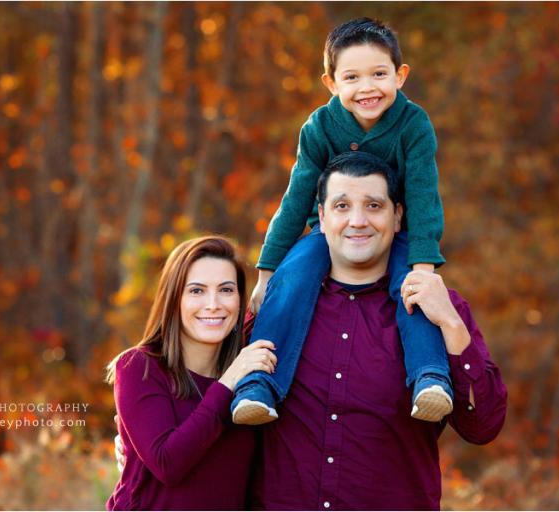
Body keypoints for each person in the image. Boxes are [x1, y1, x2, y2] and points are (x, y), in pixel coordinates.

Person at [249, 151, 507, 509]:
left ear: (397, 216)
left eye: (373, 205)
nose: (357, 220)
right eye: (341, 206)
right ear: (321, 217)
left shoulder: (437, 310)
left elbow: (484, 425)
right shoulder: (278, 310)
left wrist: (450, 323)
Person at [232, 17, 453, 426]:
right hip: (331, 232)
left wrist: (424, 269)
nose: (367, 87)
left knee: (412, 290)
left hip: (395, 231)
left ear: (400, 76)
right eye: (352, 77)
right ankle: (259, 383)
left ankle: (430, 377)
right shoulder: (318, 127)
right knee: (295, 274)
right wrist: (266, 274)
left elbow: (424, 197)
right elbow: (297, 199)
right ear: (331, 83)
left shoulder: (414, 125)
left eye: (379, 74)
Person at [105, 236, 277, 511]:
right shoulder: (139, 367)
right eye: (196, 291)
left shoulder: (251, 380)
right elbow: (168, 464)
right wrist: (228, 382)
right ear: (174, 300)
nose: (213, 304)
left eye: (226, 290)